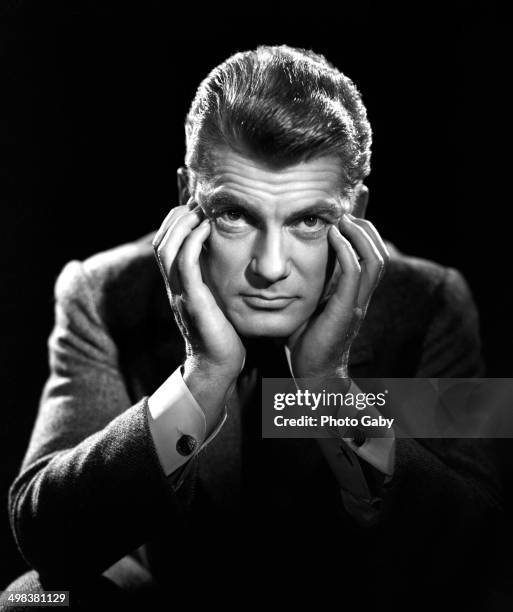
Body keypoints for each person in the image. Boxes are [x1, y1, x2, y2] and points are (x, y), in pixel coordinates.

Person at [4, 45, 504, 610]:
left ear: (356, 215)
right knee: (31, 602)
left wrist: (326, 391)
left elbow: (480, 542)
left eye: (309, 221)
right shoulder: (104, 293)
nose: (270, 267)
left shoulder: (430, 304)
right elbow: (47, 537)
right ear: (185, 202)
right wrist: (204, 376)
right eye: (234, 215)